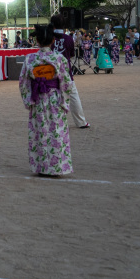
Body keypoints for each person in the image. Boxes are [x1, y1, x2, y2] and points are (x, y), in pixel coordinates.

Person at [19, 23, 74, 177]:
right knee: (56, 131)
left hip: (37, 99)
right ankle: (56, 167)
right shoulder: (59, 58)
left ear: (37, 40)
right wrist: (65, 101)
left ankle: (41, 166)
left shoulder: (30, 59)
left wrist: (28, 100)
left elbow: (23, 82)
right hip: (55, 98)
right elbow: (66, 82)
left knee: (40, 132)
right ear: (53, 41)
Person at [50, 14, 89, 129]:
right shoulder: (68, 38)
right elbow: (71, 54)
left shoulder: (48, 37)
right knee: (73, 97)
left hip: (50, 72)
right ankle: (81, 122)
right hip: (65, 71)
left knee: (51, 97)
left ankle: (53, 122)